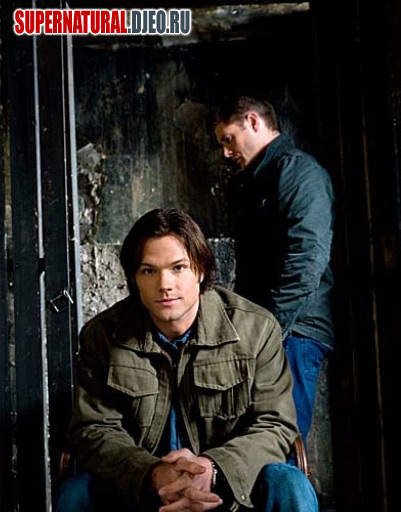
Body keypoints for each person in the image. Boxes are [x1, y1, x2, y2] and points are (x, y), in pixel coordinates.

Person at [56, 208, 317, 512]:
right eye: (149, 271)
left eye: (178, 268)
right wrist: (152, 473)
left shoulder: (256, 329)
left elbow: (275, 423)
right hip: (141, 491)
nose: (164, 284)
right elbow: (93, 429)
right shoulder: (102, 336)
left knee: (290, 484)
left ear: (201, 270)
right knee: (76, 493)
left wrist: (213, 469)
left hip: (232, 490)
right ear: (134, 279)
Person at [215, 96, 335, 445]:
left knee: (281, 442)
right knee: (256, 442)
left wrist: (270, 332)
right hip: (270, 331)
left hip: (294, 330)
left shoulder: (298, 172)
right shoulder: (257, 179)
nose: (225, 152)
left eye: (228, 139)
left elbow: (307, 260)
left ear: (253, 121)